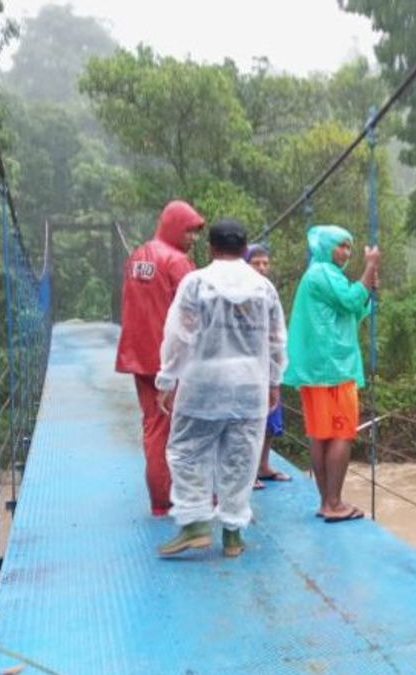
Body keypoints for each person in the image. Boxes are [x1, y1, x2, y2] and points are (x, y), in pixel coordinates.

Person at [155, 219, 287, 558]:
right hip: (249, 384)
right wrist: (274, 381)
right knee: (241, 458)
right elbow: (276, 341)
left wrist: (167, 379)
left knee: (186, 451)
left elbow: (178, 335)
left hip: (203, 383)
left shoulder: (196, 283)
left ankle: (196, 523)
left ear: (211, 248)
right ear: (245, 251)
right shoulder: (264, 288)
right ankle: (232, 535)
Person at [283, 225, 380, 523]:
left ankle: (326, 501)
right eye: (341, 246)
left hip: (317, 370)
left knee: (320, 434)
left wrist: (367, 288)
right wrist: (371, 267)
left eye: (349, 247)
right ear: (326, 247)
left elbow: (351, 308)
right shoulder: (323, 273)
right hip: (333, 369)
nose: (346, 252)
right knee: (341, 433)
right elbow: (352, 302)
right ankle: (334, 502)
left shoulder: (321, 275)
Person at [115, 200, 205, 517]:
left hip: (138, 356)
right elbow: (196, 315)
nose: (193, 239)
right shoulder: (178, 263)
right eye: (190, 231)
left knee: (154, 426)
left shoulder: (137, 255)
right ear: (175, 226)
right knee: (183, 431)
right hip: (171, 362)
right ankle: (174, 499)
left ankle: (159, 500)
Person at [244, 244, 292, 490]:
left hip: (268, 366)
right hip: (247, 369)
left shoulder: (269, 291)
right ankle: (247, 474)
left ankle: (263, 466)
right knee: (250, 422)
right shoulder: (237, 290)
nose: (262, 268)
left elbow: (277, 331)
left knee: (270, 421)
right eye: (256, 263)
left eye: (265, 263)